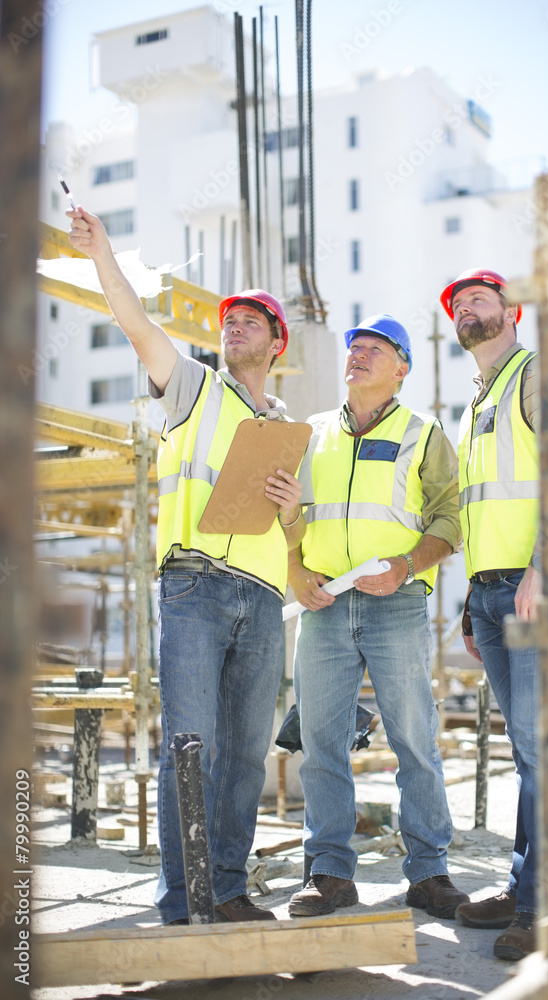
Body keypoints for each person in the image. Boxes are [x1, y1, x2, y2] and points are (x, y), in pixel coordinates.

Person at [68, 207, 304, 925]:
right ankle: (184, 898)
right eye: (229, 320)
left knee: (242, 760)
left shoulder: (287, 424)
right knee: (190, 749)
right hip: (195, 587)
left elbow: (293, 532)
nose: (233, 327)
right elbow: (135, 322)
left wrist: (293, 509)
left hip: (263, 601)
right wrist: (102, 251)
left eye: (250, 321)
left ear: (276, 342)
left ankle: (227, 890)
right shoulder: (194, 387)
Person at [439, 269, 548, 960]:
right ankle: (524, 889)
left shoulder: (536, 370)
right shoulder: (476, 401)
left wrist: (544, 566)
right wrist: (469, 600)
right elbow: (485, 508)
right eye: (458, 305)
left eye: (477, 300)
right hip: (492, 589)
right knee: (526, 748)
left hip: (537, 579)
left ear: (510, 313)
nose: (464, 310)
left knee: (541, 748)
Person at [286, 314, 469, 921]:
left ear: (402, 368)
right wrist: (294, 568)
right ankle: (330, 873)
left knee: (414, 739)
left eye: (375, 349)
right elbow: (288, 513)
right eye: (353, 347)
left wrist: (407, 564)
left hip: (397, 604)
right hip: (324, 607)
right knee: (320, 746)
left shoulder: (424, 433)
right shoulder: (310, 433)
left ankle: (428, 873)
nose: (358, 355)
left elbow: (450, 519)